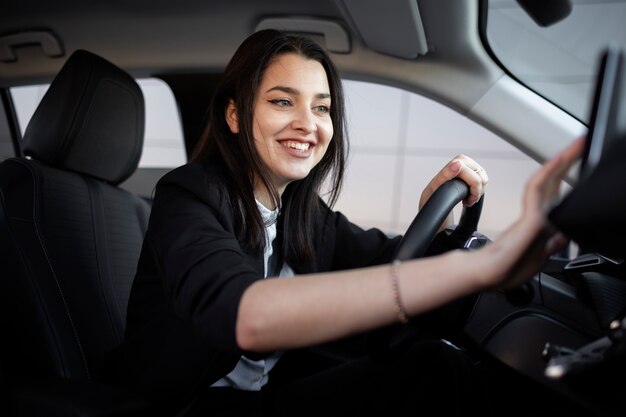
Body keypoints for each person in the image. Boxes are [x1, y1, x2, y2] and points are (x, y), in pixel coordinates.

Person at [107, 29, 584, 417]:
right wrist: (483, 267)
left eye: (321, 107)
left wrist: (438, 230)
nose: (307, 124)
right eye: (281, 102)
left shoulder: (302, 213)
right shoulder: (188, 196)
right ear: (235, 115)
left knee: (435, 364)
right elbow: (245, 316)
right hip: (190, 408)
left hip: (261, 394)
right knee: (434, 374)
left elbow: (388, 260)